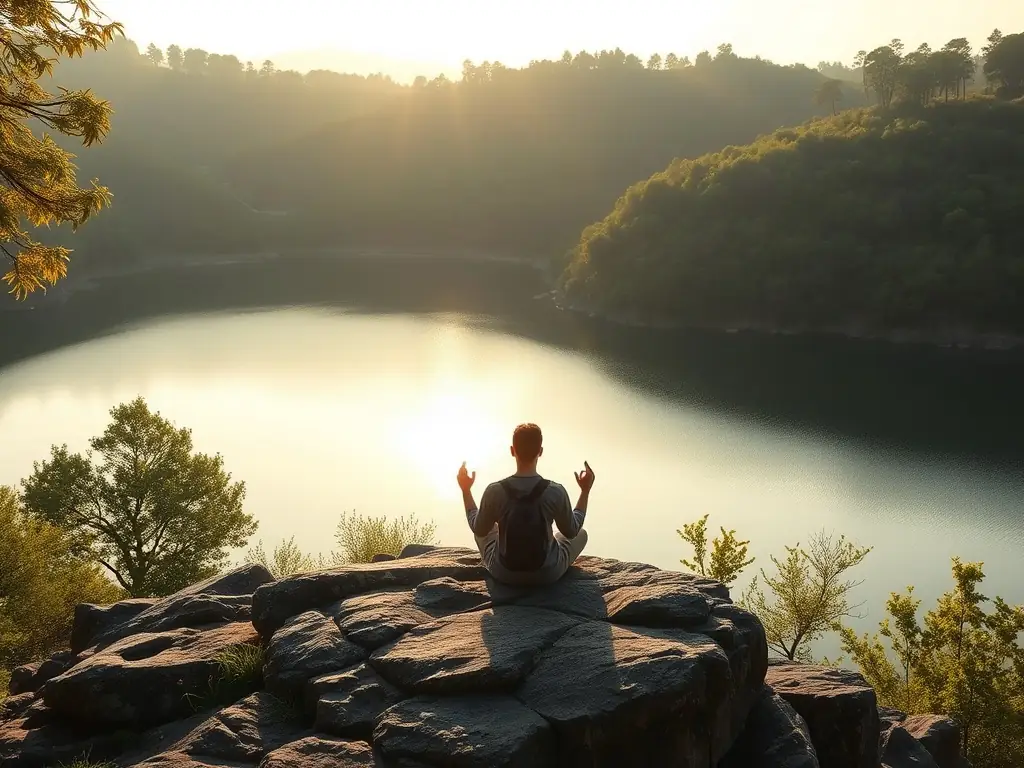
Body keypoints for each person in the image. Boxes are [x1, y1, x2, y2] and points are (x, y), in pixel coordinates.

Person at [457, 422, 593, 586]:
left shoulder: (494, 491)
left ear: (512, 451)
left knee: (484, 528)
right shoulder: (555, 491)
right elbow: (572, 531)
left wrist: (466, 490)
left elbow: (478, 529)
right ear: (540, 452)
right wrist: (585, 491)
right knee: (582, 534)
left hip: (504, 574)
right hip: (546, 574)